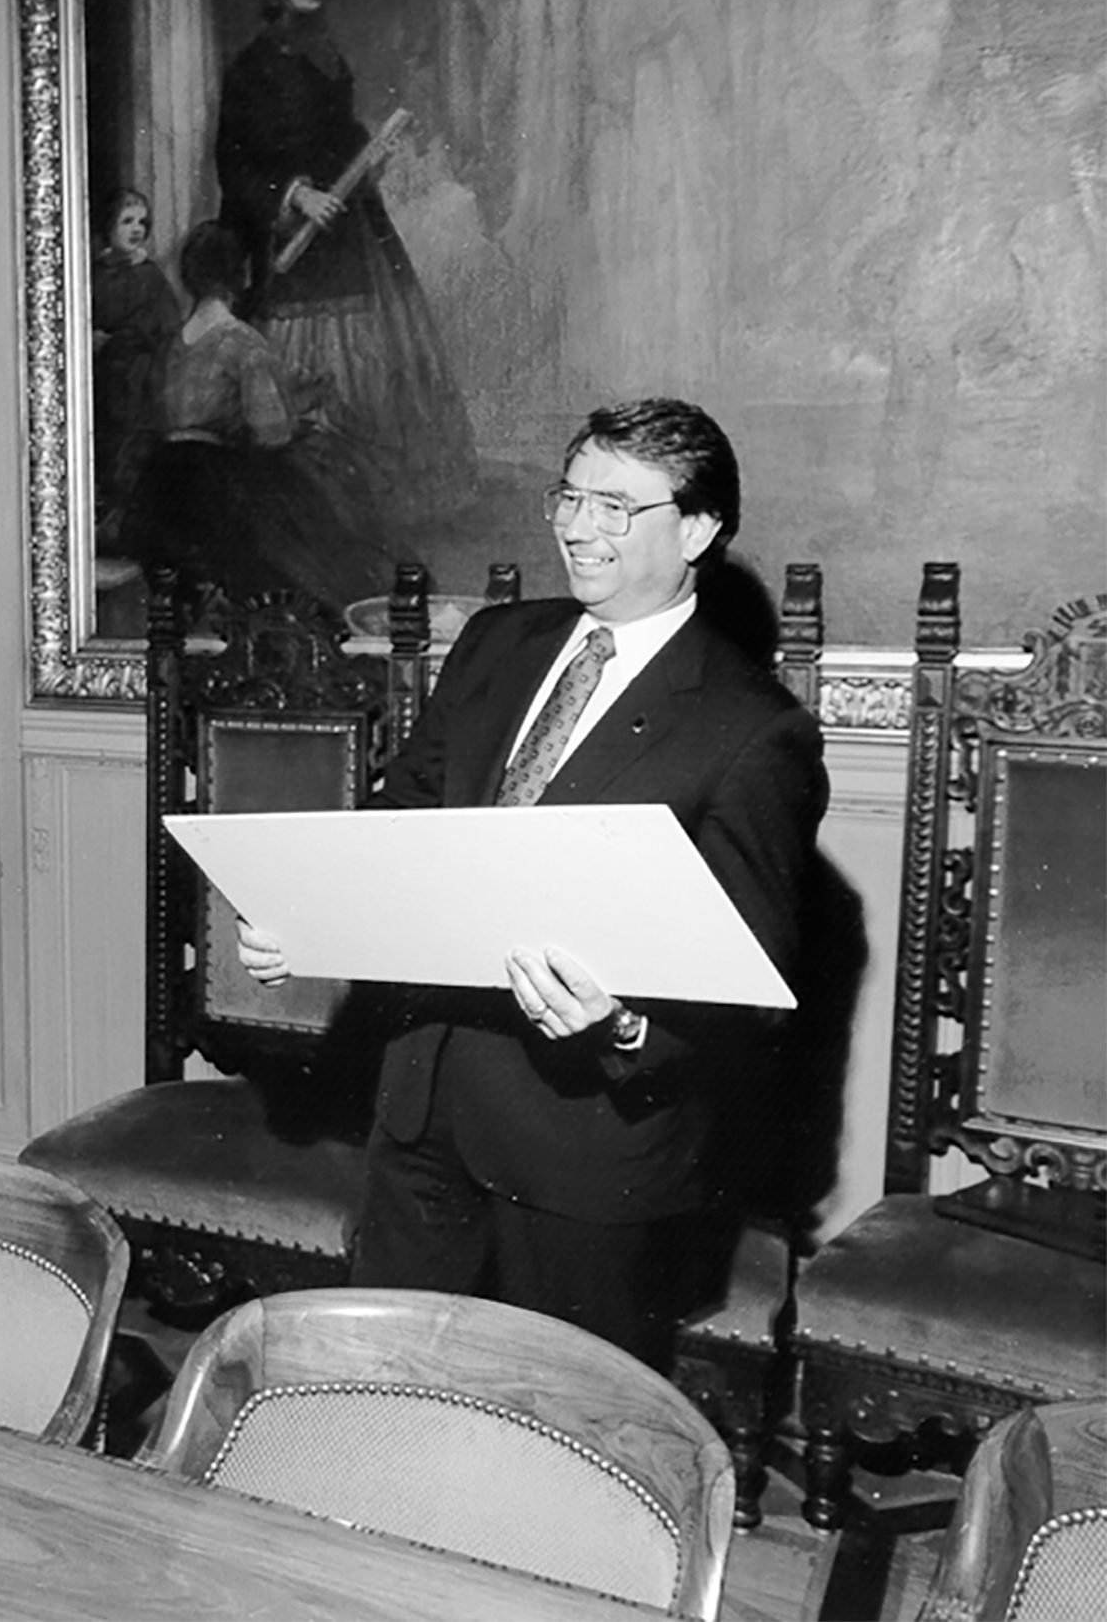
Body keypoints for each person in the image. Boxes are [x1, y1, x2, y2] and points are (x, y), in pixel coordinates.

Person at [236, 397, 827, 1372]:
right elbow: (406, 821)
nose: (575, 527)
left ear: (699, 528)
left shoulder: (752, 728)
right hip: (421, 1108)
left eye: (615, 506)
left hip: (586, 1151)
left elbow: (754, 985)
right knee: (377, 1400)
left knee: (550, 1437)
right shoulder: (497, 643)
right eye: (569, 495)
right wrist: (317, 914)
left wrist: (629, 1027)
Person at [213, 0, 475, 530]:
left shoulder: (328, 54)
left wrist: (369, 156)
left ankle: (370, 504)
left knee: (378, 366)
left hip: (350, 227)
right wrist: (295, 197)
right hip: (296, 243)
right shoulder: (252, 67)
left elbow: (340, 134)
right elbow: (234, 163)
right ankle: (310, 505)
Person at [125, 220, 389, 609]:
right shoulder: (242, 341)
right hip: (214, 485)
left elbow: (184, 412)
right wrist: (303, 402)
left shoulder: (174, 342)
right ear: (241, 271)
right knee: (322, 513)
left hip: (161, 482)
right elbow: (272, 433)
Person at [88, 187, 181, 555]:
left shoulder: (150, 276)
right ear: (109, 226)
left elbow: (167, 324)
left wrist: (136, 337)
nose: (136, 228)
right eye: (127, 221)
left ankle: (129, 530)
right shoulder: (93, 273)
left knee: (135, 448)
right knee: (105, 446)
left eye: (142, 222)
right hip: (103, 375)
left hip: (141, 376)